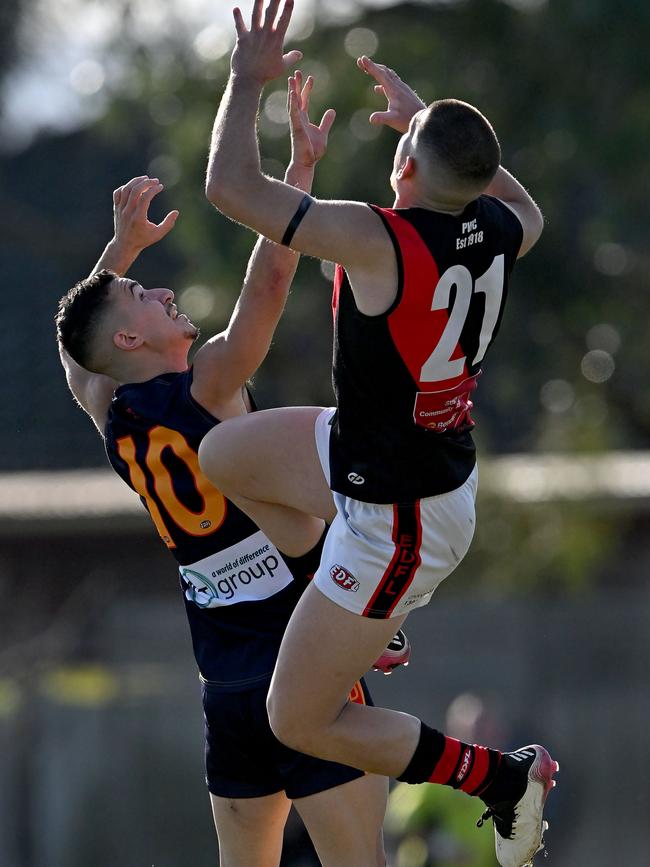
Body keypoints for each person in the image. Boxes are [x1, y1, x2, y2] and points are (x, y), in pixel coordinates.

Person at [198, 3, 557, 867]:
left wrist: (247, 80)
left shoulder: (378, 237)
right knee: (224, 454)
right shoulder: (504, 230)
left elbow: (230, 189)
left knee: (298, 718)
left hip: (399, 512)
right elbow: (517, 200)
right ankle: (362, 612)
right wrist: (430, 125)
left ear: (403, 163)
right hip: (379, 455)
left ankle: (501, 781)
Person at [55, 73, 393, 867]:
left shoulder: (114, 418)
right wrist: (299, 179)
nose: (162, 290)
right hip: (302, 661)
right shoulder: (207, 384)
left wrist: (117, 258)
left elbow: (78, 359)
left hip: (227, 688)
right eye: (142, 292)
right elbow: (271, 281)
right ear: (133, 342)